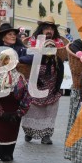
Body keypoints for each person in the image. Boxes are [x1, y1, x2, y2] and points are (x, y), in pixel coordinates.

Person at [21, 16, 65, 145]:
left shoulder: (58, 42)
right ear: (42, 29)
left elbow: (61, 68)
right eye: (46, 28)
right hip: (35, 82)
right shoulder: (34, 41)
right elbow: (28, 58)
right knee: (32, 109)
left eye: (51, 28)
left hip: (51, 85)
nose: (49, 30)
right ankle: (29, 132)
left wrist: (57, 87)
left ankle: (46, 135)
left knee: (50, 110)